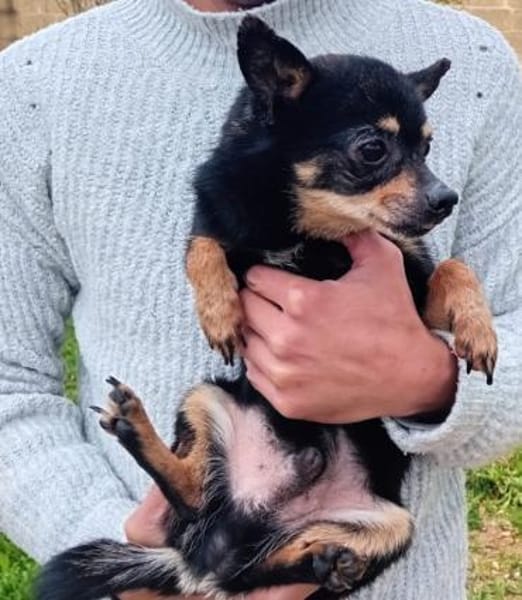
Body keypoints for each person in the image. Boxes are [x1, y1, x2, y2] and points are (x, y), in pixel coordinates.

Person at [0, 0, 520, 599]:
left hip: (362, 514)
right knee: (207, 404)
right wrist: (129, 553)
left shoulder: (480, 58)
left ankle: (304, 555)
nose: (431, 188)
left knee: (388, 527)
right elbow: (11, 387)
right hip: (204, 519)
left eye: (421, 153)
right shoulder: (33, 83)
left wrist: (429, 380)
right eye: (373, 152)